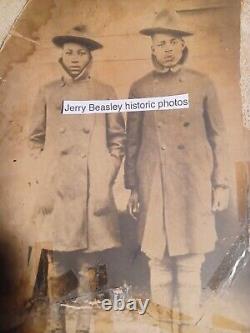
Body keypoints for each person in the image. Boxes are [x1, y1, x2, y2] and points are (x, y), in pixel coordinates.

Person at [125, 9, 229, 327]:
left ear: (183, 45)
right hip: (154, 186)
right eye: (160, 43)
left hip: (192, 185)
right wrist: (132, 187)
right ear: (152, 49)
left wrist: (220, 183)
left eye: (173, 41)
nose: (167, 48)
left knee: (189, 265)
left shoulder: (202, 84)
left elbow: (218, 136)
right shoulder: (140, 88)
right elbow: (132, 142)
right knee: (159, 265)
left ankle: (188, 327)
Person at [29, 25, 125, 333]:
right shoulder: (47, 92)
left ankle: (84, 328)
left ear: (89, 57)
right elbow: (34, 138)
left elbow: (117, 139)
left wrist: (105, 174)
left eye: (81, 52)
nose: (74, 58)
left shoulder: (104, 92)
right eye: (69, 51)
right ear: (61, 54)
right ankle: (56, 327)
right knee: (57, 267)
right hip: (56, 192)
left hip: (91, 191)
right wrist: (45, 171)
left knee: (87, 268)